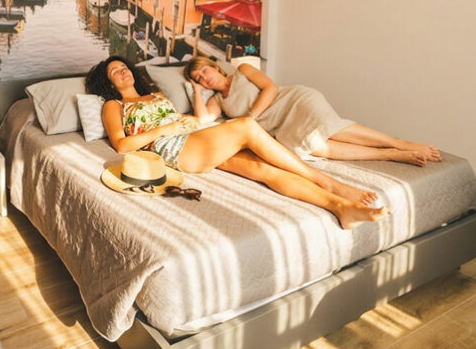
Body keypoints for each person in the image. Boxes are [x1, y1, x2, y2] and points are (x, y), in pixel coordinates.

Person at [86, 56, 388, 230]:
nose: (123, 72)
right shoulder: (115, 105)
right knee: (245, 125)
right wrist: (170, 128)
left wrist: (187, 120)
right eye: (115, 72)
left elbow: (187, 120)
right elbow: (122, 145)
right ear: (109, 82)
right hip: (173, 149)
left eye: (124, 67)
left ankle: (340, 207)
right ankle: (331, 184)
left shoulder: (156, 96)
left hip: (192, 139)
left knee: (265, 169)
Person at [184, 57, 440, 166]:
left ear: (214, 67)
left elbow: (271, 88)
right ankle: (390, 155)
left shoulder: (242, 71)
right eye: (199, 78)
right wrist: (196, 91)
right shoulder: (218, 101)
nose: (204, 77)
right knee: (313, 147)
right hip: (277, 128)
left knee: (330, 128)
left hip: (292, 101)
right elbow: (202, 119)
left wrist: (250, 118)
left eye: (204, 71)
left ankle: (399, 142)